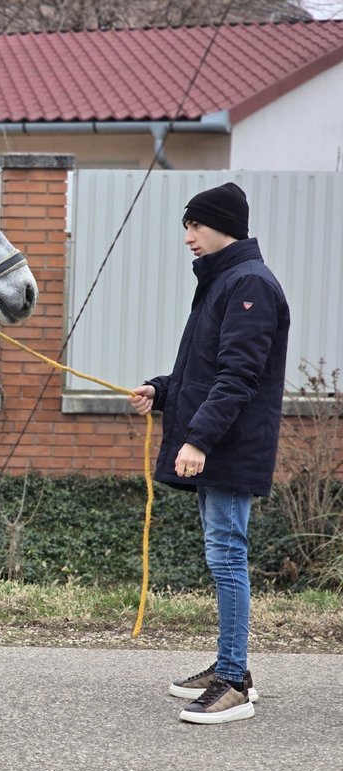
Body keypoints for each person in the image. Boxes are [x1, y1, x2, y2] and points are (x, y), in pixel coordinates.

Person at [129, 182, 290, 725]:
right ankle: (228, 664)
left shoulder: (249, 285)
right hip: (219, 442)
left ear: (225, 226)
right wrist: (161, 390)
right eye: (187, 226)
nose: (188, 237)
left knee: (227, 556)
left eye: (195, 225)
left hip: (228, 446)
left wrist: (197, 439)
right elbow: (203, 371)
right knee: (221, 554)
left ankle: (235, 681)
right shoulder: (226, 281)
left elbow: (239, 376)